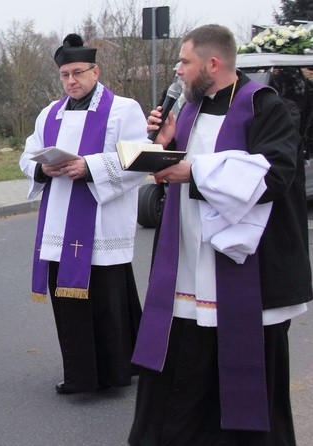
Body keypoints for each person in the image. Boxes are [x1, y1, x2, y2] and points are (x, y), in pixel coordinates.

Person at [129, 24, 312, 445]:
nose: (177, 70)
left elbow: (276, 175)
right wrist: (161, 143)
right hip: (188, 267)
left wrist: (193, 172)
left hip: (244, 268)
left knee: (244, 377)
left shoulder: (265, 107)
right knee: (184, 371)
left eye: (185, 61)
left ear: (213, 64)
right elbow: (168, 170)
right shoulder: (188, 109)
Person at [19, 33, 148, 394]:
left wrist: (89, 167)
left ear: (96, 71)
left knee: (107, 303)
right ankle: (80, 375)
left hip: (102, 225)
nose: (71, 81)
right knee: (68, 307)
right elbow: (27, 155)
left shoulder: (124, 109)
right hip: (60, 223)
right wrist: (44, 169)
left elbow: (139, 159)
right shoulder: (50, 113)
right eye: (64, 74)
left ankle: (114, 373)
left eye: (78, 72)